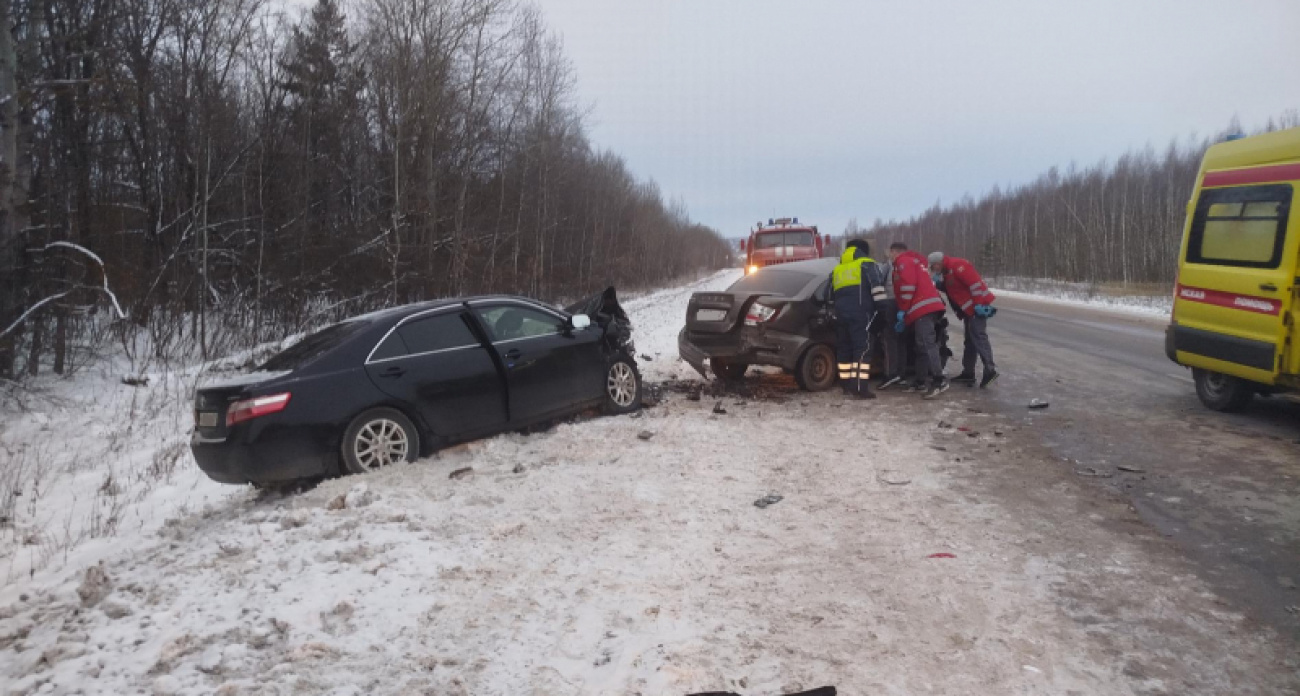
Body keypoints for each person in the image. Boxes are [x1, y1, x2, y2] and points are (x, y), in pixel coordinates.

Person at [928, 251, 998, 388]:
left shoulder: (958, 266)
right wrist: (938, 284)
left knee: (978, 336)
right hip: (969, 310)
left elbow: (975, 285)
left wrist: (979, 305)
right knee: (970, 340)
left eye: (933, 267)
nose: (933, 270)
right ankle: (968, 373)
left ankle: (990, 369)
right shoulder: (948, 272)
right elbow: (953, 289)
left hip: (977, 307)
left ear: (938, 263)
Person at [888, 242, 948, 399]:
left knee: (927, 343)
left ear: (894, 252)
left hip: (923, 307)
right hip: (927, 306)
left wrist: (903, 309)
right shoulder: (914, 262)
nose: (890, 256)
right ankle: (920, 381)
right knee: (921, 344)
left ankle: (939, 380)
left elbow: (908, 286)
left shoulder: (903, 261)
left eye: (891, 253)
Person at [830, 239, 887, 399]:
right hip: (863, 314)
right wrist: (882, 311)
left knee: (844, 350)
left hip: (841, 316)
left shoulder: (838, 270)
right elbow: (878, 289)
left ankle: (846, 385)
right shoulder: (867, 265)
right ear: (864, 251)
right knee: (863, 349)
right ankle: (860, 388)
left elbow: (829, 294)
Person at [875, 255, 905, 390]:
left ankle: (890, 374)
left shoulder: (887, 266)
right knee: (901, 340)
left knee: (888, 339)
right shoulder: (910, 266)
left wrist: (880, 306)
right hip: (904, 304)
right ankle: (900, 373)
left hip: (890, 304)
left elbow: (878, 284)